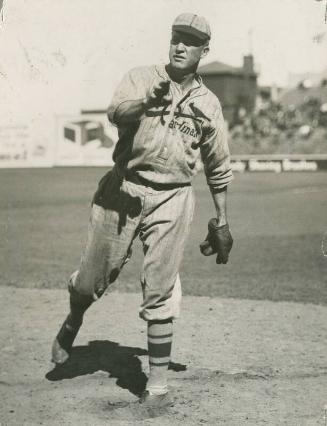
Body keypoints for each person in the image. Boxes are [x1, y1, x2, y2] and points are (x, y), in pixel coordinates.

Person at [51, 12, 233, 409]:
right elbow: (116, 113)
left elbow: (218, 165)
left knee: (160, 287)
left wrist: (222, 219)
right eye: (176, 38)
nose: (180, 46)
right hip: (123, 189)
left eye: (190, 41)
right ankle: (72, 322)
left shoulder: (209, 104)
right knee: (89, 284)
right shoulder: (141, 77)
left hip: (173, 197)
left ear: (205, 50)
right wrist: (146, 102)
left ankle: (157, 384)